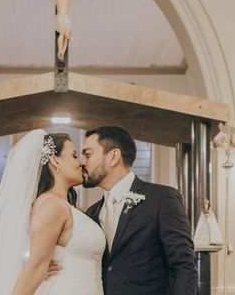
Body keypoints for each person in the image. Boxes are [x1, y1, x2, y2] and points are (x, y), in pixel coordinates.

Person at [0, 129, 105, 295]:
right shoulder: (51, 205)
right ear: (55, 161)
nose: (81, 162)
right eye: (74, 155)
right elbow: (36, 267)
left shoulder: (62, 206)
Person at [81, 126, 199, 295]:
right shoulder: (92, 213)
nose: (82, 161)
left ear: (113, 157)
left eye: (88, 154)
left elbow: (184, 265)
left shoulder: (162, 199)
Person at [25, 0, 100, 62]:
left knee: (67, 35)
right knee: (62, 33)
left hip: (67, 18)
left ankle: (62, 54)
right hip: (60, 17)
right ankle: (60, 51)